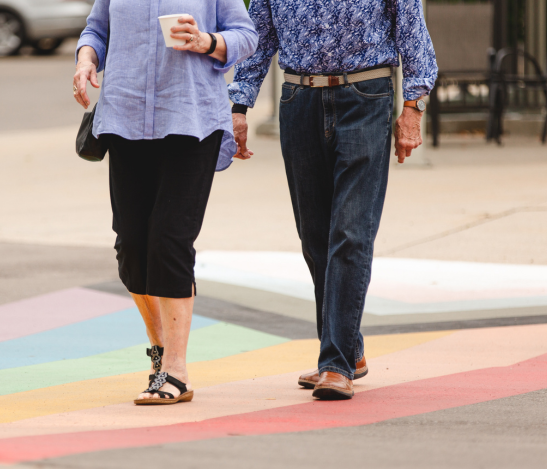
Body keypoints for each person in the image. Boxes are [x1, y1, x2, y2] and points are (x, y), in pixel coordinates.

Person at [229, 0, 437, 400]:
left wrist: (413, 107)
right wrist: (240, 106)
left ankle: (336, 364)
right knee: (315, 237)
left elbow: (412, 31)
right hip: (298, 100)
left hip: (366, 96)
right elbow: (259, 37)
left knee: (351, 232)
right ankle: (349, 350)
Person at [73, 0, 257, 405]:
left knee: (169, 242)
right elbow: (96, 32)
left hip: (191, 122)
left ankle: (176, 371)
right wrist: (87, 60)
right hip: (124, 120)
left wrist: (207, 41)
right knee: (133, 248)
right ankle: (158, 351)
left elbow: (247, 37)